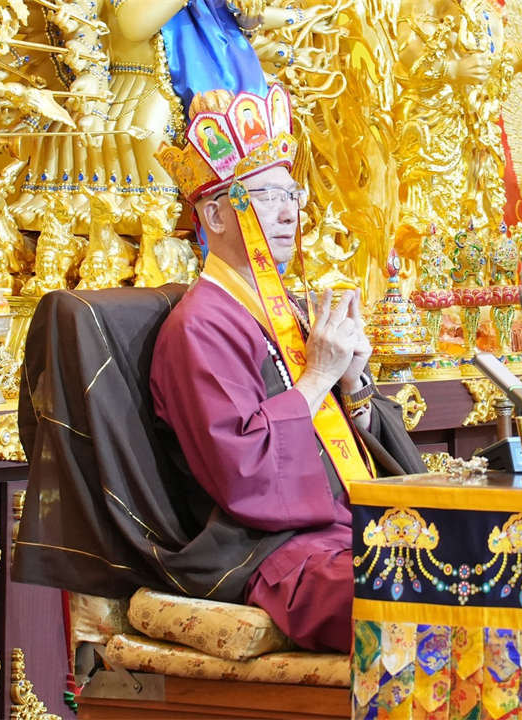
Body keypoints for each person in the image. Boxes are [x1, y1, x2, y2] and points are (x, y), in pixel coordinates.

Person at [149, 85, 425, 653]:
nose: (288, 213)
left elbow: (354, 448)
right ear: (214, 213)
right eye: (264, 196)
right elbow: (243, 475)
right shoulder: (199, 326)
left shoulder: (290, 311)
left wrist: (352, 382)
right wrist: (317, 378)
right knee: (415, 594)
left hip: (349, 529)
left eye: (291, 194)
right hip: (280, 554)